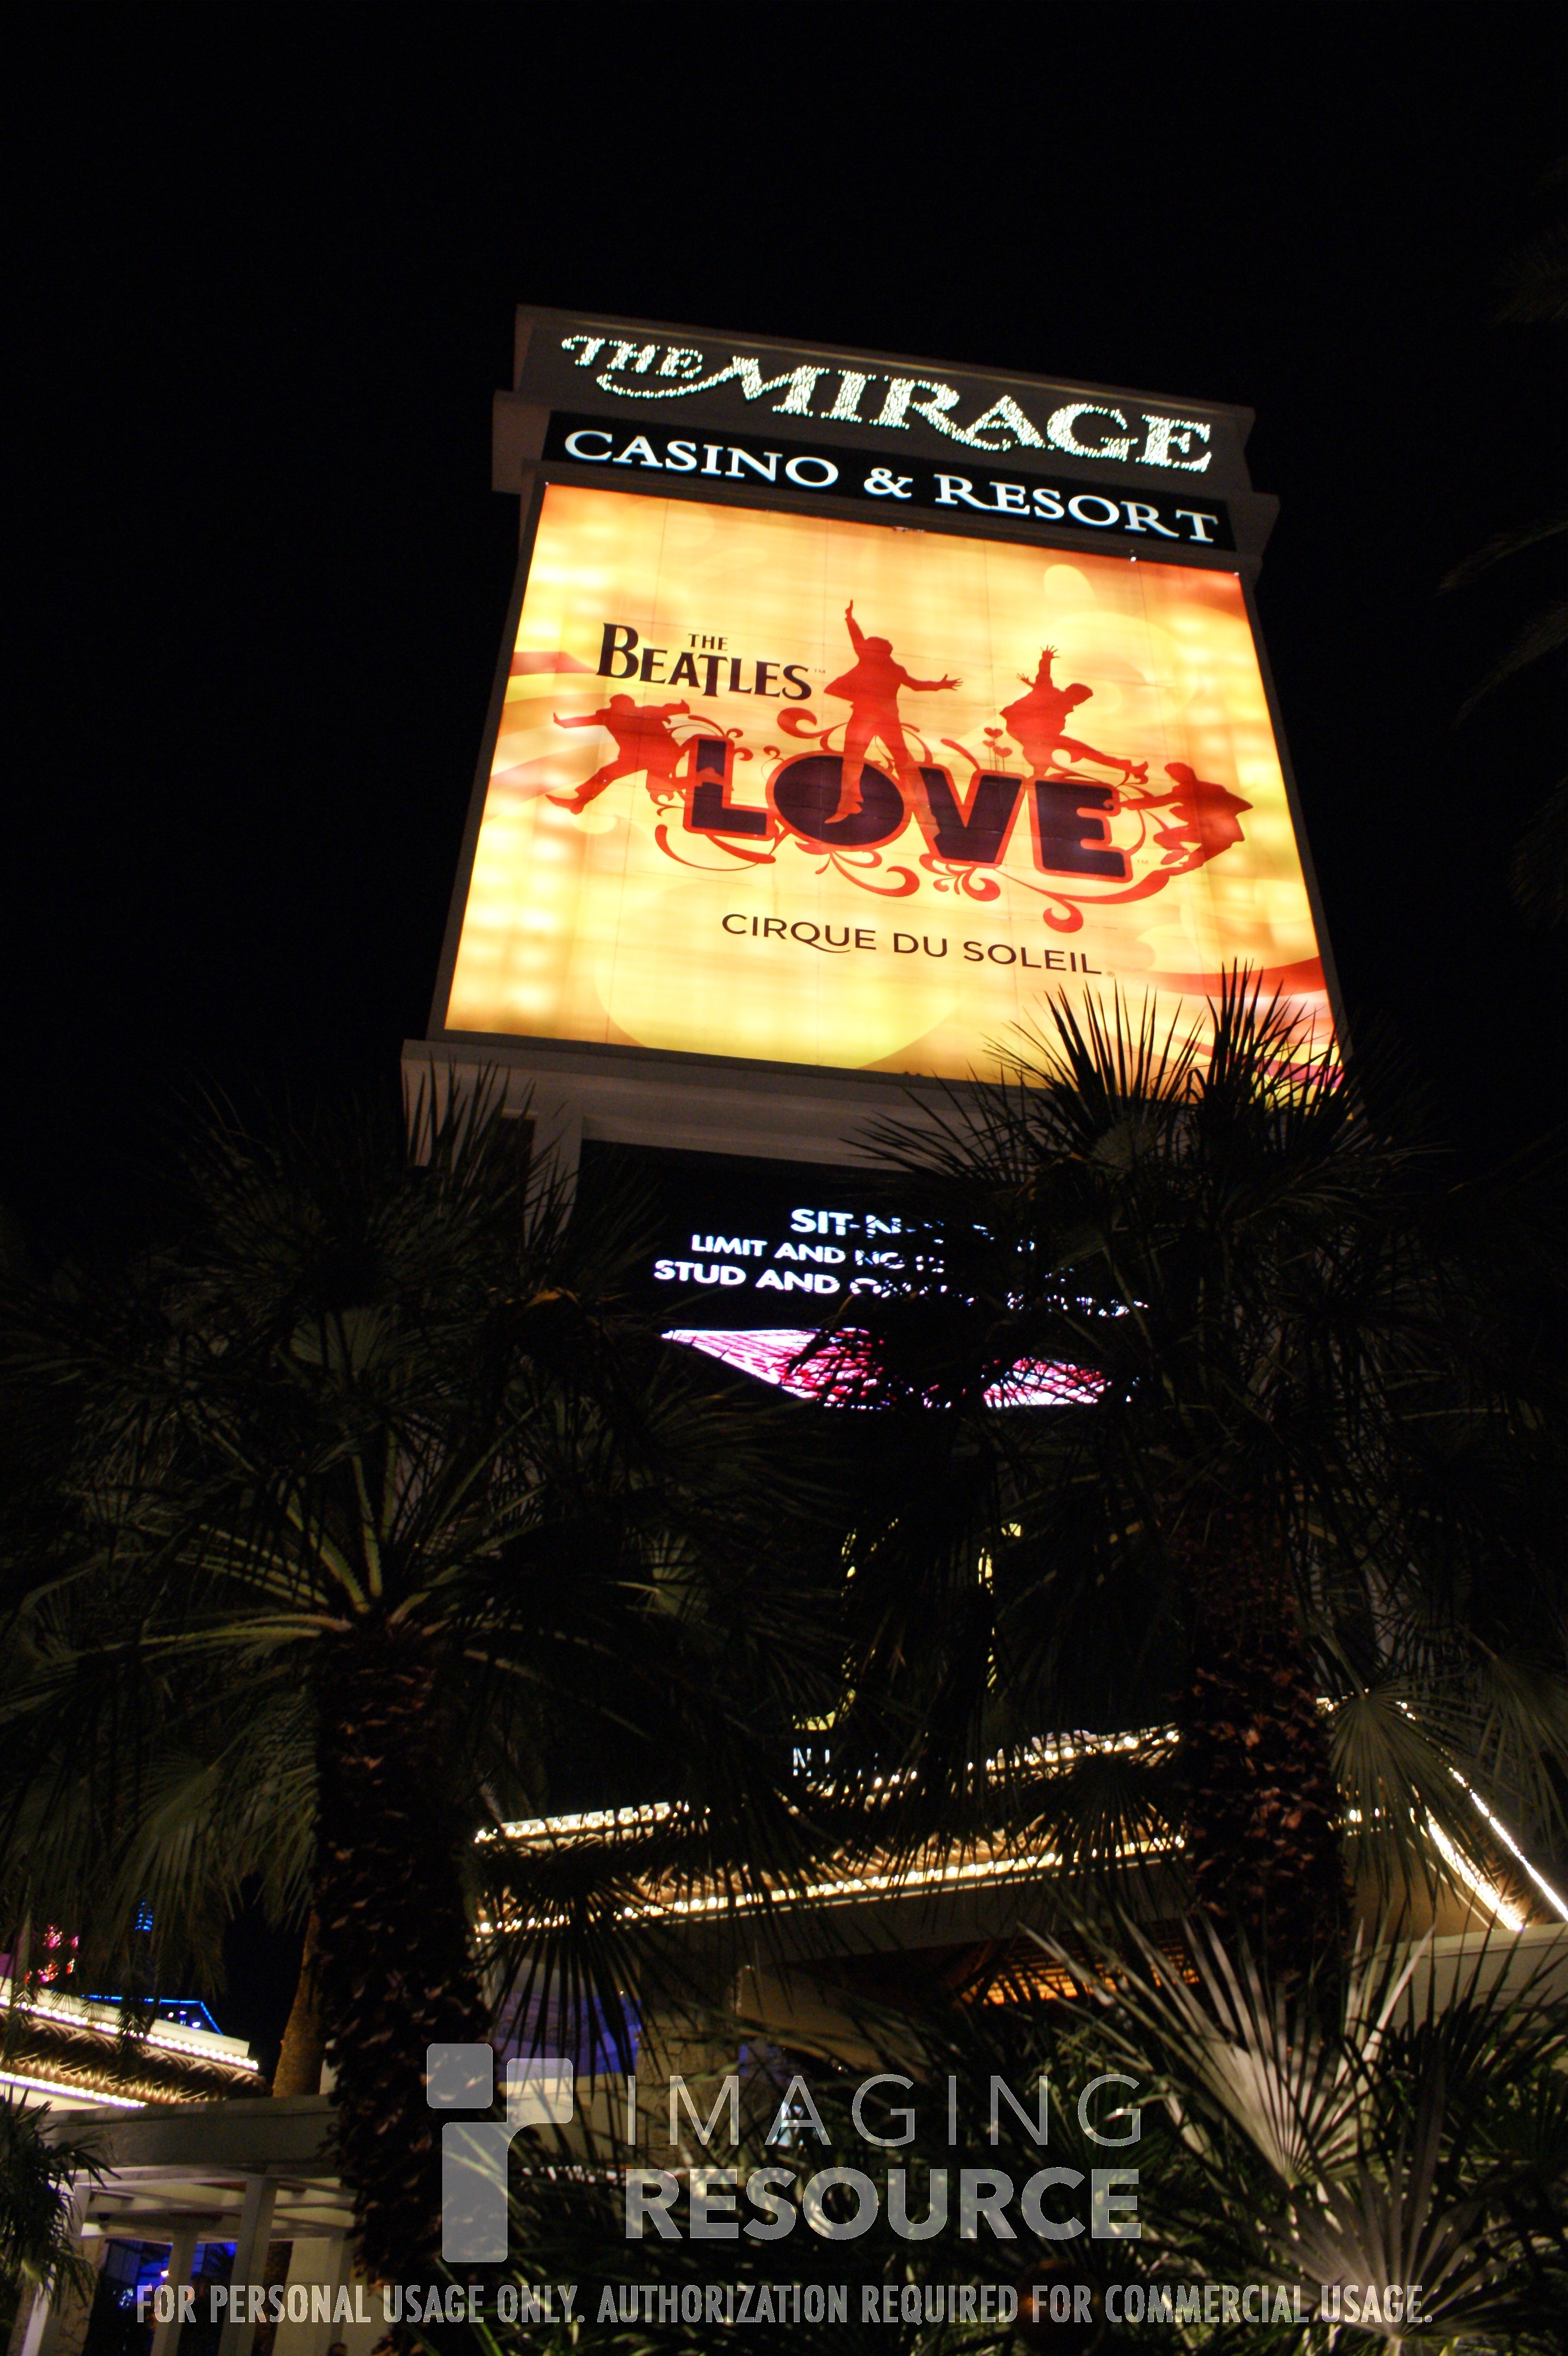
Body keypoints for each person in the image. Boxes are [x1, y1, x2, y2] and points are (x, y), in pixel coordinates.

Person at [824, 604, 959, 822]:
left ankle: (917, 803)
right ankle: (853, 804)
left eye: (869, 647)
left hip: (873, 718)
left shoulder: (879, 664)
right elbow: (858, 640)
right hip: (878, 718)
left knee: (864, 759)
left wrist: (938, 686)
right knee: (873, 759)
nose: (865, 648)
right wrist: (849, 619)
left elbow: (915, 685)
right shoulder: (888, 666)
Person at [1001, 649, 1146, 784]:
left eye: (1082, 700)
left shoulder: (1058, 699)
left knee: (1075, 751)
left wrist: (1032, 684)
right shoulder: (1050, 692)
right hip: (1025, 730)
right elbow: (1044, 676)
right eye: (1080, 698)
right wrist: (1046, 659)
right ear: (1071, 693)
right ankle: (1039, 774)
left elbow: (1041, 686)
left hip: (1040, 738)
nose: (1079, 702)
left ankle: (1129, 767)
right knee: (1077, 749)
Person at [549, 694, 693, 811]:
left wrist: (682, 707)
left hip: (660, 756)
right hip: (640, 757)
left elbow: (670, 709)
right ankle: (578, 803)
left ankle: (697, 782)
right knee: (608, 775)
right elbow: (587, 720)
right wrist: (565, 723)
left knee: (654, 784)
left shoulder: (643, 712)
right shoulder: (611, 717)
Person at [1141, 759, 1250, 868]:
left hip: (1221, 834)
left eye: (1176, 774)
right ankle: (1180, 853)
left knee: (1196, 858)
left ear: (1188, 773)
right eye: (1172, 775)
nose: (1175, 777)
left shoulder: (1207, 789)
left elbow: (1241, 805)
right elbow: (1159, 801)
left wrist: (1192, 814)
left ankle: (1185, 858)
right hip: (1201, 831)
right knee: (1163, 838)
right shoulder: (1187, 790)